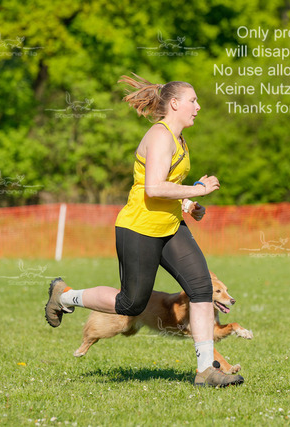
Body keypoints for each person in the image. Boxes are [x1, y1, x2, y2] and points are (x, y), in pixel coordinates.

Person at [45, 74, 244, 387]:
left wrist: (188, 204)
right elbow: (152, 188)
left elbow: (169, 185)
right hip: (140, 228)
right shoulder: (160, 136)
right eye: (193, 101)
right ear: (175, 104)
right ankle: (66, 296)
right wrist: (199, 190)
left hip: (170, 226)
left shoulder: (179, 139)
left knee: (201, 288)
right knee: (131, 304)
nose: (198, 107)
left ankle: (206, 370)